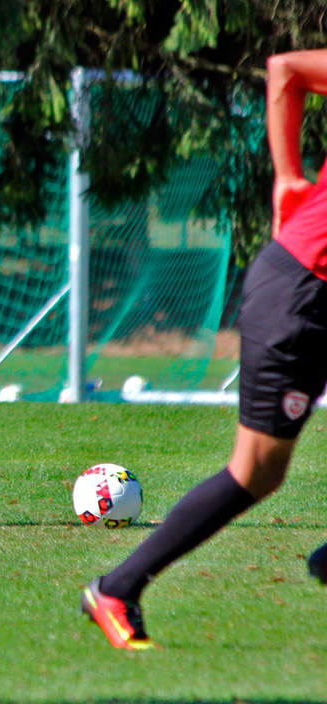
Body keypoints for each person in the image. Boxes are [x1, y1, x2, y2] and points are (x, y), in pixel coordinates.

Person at [81, 49, 327, 650]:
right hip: (302, 293)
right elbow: (286, 69)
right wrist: (287, 176)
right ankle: (117, 587)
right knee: (257, 471)